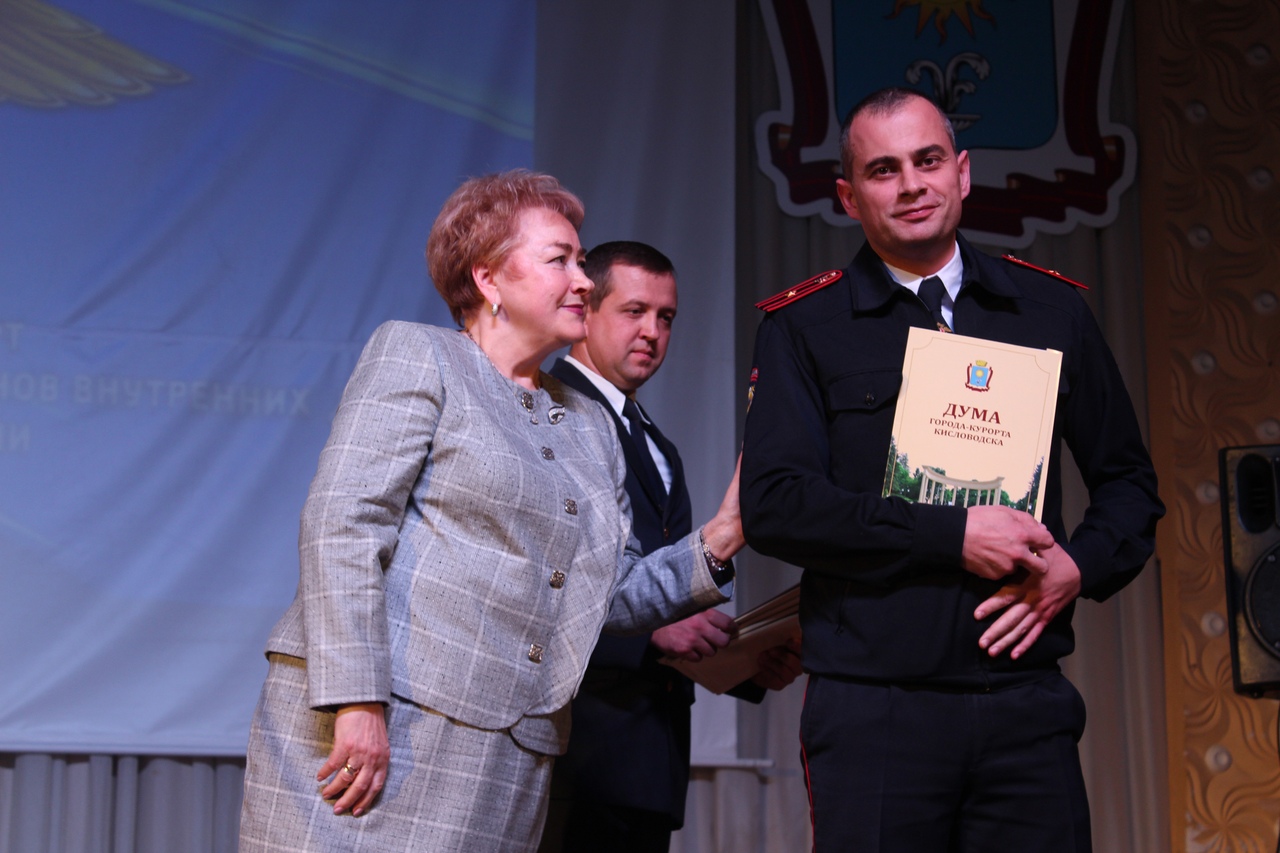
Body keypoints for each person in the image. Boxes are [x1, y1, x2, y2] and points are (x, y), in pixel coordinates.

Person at [238, 170, 747, 853]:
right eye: (560, 260)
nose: (583, 280)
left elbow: (606, 595)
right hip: (376, 729)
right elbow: (342, 526)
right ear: (488, 279)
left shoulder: (592, 426)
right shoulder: (422, 355)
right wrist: (356, 700)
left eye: (581, 260)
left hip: (508, 761)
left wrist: (724, 532)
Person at [739, 87, 1165, 852]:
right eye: (883, 169)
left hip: (1025, 697)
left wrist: (1077, 566)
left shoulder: (1050, 310)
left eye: (928, 160)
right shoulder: (804, 325)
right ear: (848, 196)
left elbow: (1130, 484)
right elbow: (777, 505)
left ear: (962, 173)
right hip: (875, 706)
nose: (911, 184)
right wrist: (951, 534)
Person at [539, 242, 803, 853]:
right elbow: (538, 588)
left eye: (666, 317)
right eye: (634, 311)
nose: (652, 332)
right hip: (574, 758)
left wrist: (741, 663)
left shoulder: (658, 445)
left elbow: (663, 598)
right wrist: (651, 635)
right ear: (585, 312)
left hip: (648, 761)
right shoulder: (548, 416)